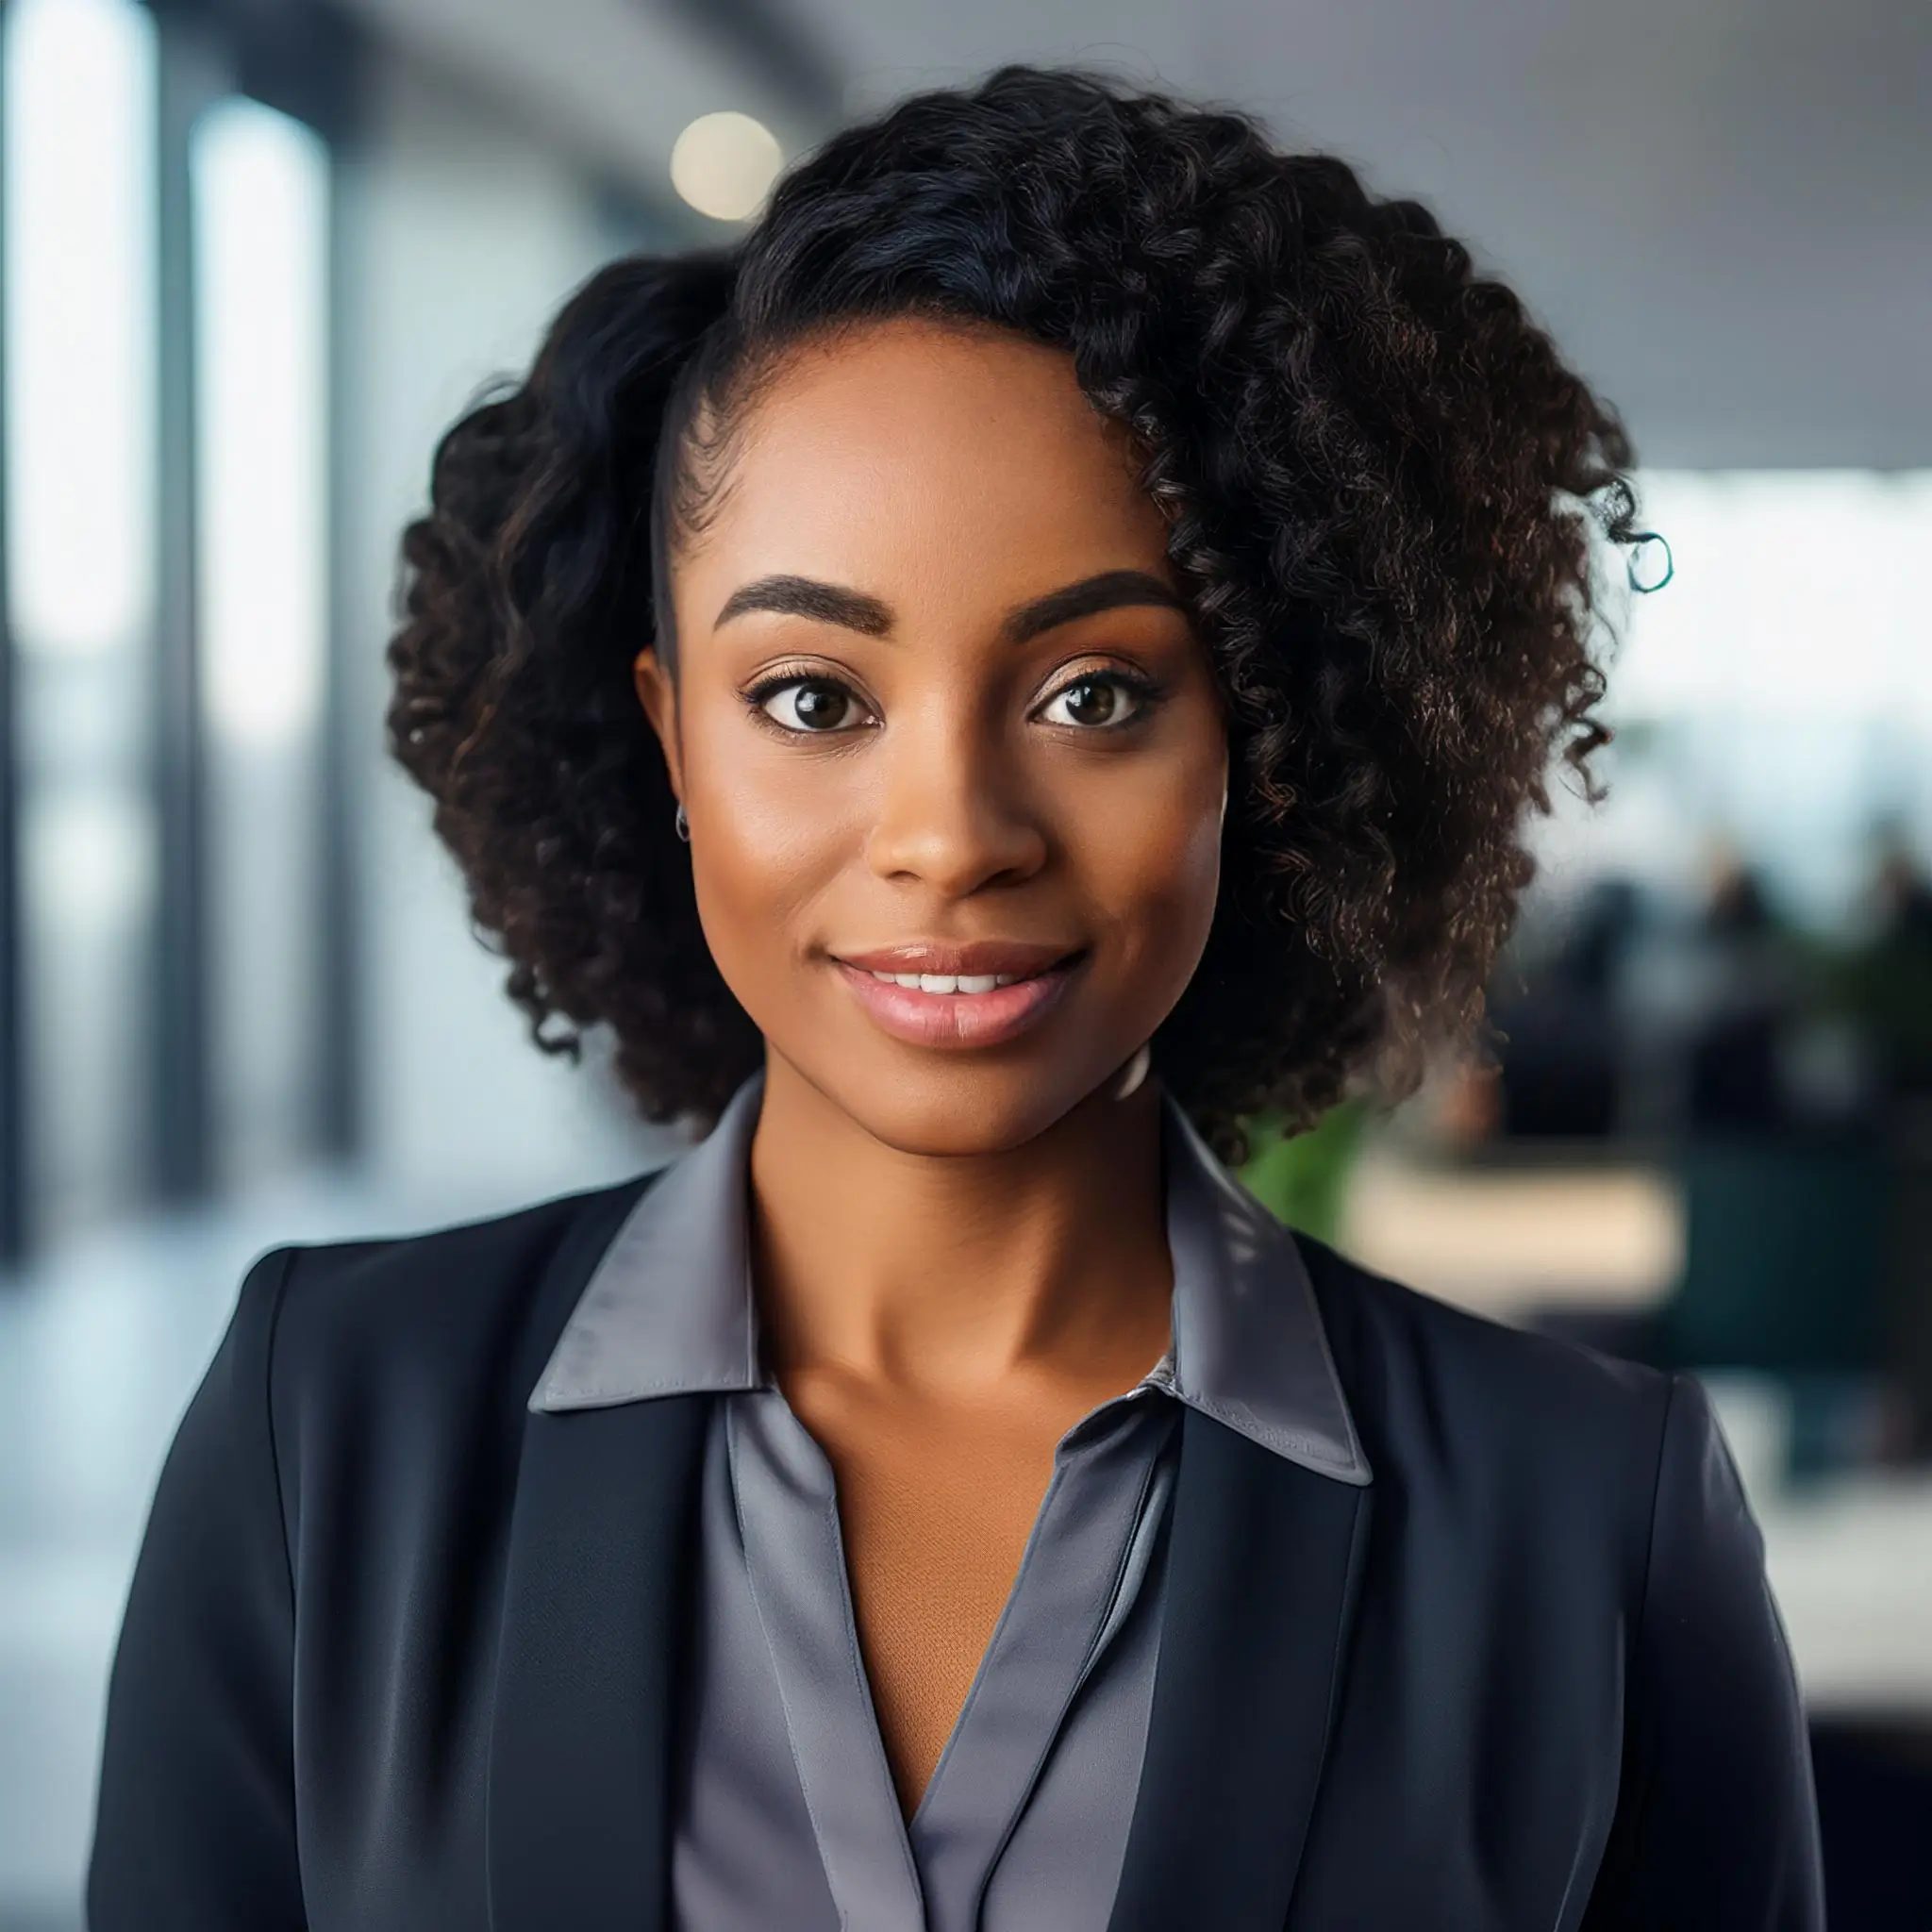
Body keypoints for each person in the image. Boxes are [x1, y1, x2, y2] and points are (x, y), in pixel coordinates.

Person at [86, 66, 1823, 1930]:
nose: (951, 836)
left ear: (1271, 734)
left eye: (1093, 692)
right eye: (815, 697)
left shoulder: (1588, 1525)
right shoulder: (330, 1427)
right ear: (671, 733)